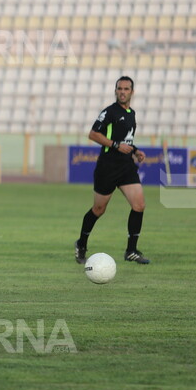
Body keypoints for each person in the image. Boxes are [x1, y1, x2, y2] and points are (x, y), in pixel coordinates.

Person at [75, 76, 150, 266]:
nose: (122, 92)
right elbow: (93, 134)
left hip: (126, 166)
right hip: (107, 167)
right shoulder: (109, 112)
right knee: (99, 210)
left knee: (139, 205)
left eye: (126, 89)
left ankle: (131, 250)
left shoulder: (131, 113)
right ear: (115, 91)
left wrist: (135, 150)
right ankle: (81, 244)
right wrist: (116, 145)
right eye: (119, 88)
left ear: (132, 92)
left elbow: (126, 140)